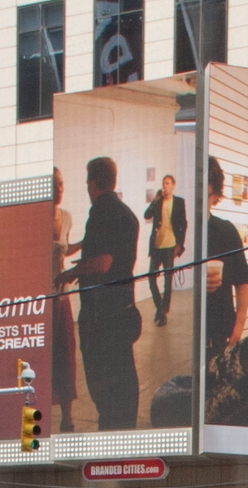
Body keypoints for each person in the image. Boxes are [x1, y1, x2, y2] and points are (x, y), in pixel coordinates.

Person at [74, 155, 141, 430]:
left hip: (101, 316)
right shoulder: (126, 213)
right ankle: (124, 426)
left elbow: (103, 262)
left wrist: (69, 273)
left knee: (102, 378)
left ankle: (111, 429)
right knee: (124, 373)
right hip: (125, 309)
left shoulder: (100, 210)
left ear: (92, 183)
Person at [200, 156, 248, 375]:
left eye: (206, 194)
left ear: (215, 196)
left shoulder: (225, 232)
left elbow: (244, 277)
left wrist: (239, 324)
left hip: (219, 339)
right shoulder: (183, 233)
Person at [144, 173, 187, 327]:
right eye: (164, 183)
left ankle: (163, 313)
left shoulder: (179, 202)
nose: (165, 186)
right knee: (151, 278)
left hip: (170, 245)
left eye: (168, 183)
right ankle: (160, 307)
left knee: (167, 283)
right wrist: (154, 200)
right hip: (156, 245)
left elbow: (183, 224)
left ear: (173, 185)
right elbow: (146, 215)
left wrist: (180, 244)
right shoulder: (158, 201)